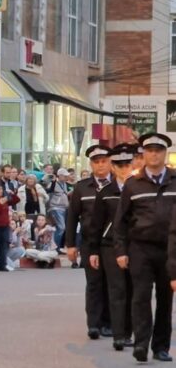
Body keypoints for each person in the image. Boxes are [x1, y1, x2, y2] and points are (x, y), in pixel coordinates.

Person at [116, 133, 174, 363]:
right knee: (140, 296)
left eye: (158, 150)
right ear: (144, 154)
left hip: (169, 249)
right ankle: (141, 343)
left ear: (164, 154)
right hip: (140, 248)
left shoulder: (175, 179)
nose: (154, 154)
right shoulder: (133, 184)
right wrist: (120, 251)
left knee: (165, 298)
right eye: (149, 150)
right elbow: (120, 221)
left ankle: (161, 347)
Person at [89, 144, 136, 351]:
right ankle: (118, 335)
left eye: (127, 164)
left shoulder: (140, 188)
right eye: (119, 165)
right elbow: (95, 224)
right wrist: (92, 250)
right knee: (117, 290)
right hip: (109, 247)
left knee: (134, 291)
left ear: (132, 165)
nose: (123, 168)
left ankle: (128, 332)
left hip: (136, 246)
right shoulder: (106, 192)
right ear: (113, 167)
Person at [66, 144, 113, 339]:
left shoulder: (118, 186)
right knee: (93, 283)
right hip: (88, 242)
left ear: (110, 162)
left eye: (104, 161)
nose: (101, 166)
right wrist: (70, 245)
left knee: (111, 283)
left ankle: (108, 322)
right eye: (96, 162)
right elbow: (72, 217)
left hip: (111, 243)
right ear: (91, 164)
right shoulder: (82, 187)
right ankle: (93, 324)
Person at [0, 185, 19, 272]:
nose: (1, 191)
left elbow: (16, 200)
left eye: (1, 189)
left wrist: (13, 195)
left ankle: (3, 265)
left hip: (5, 226)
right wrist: (0, 204)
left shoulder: (4, 200)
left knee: (3, 246)